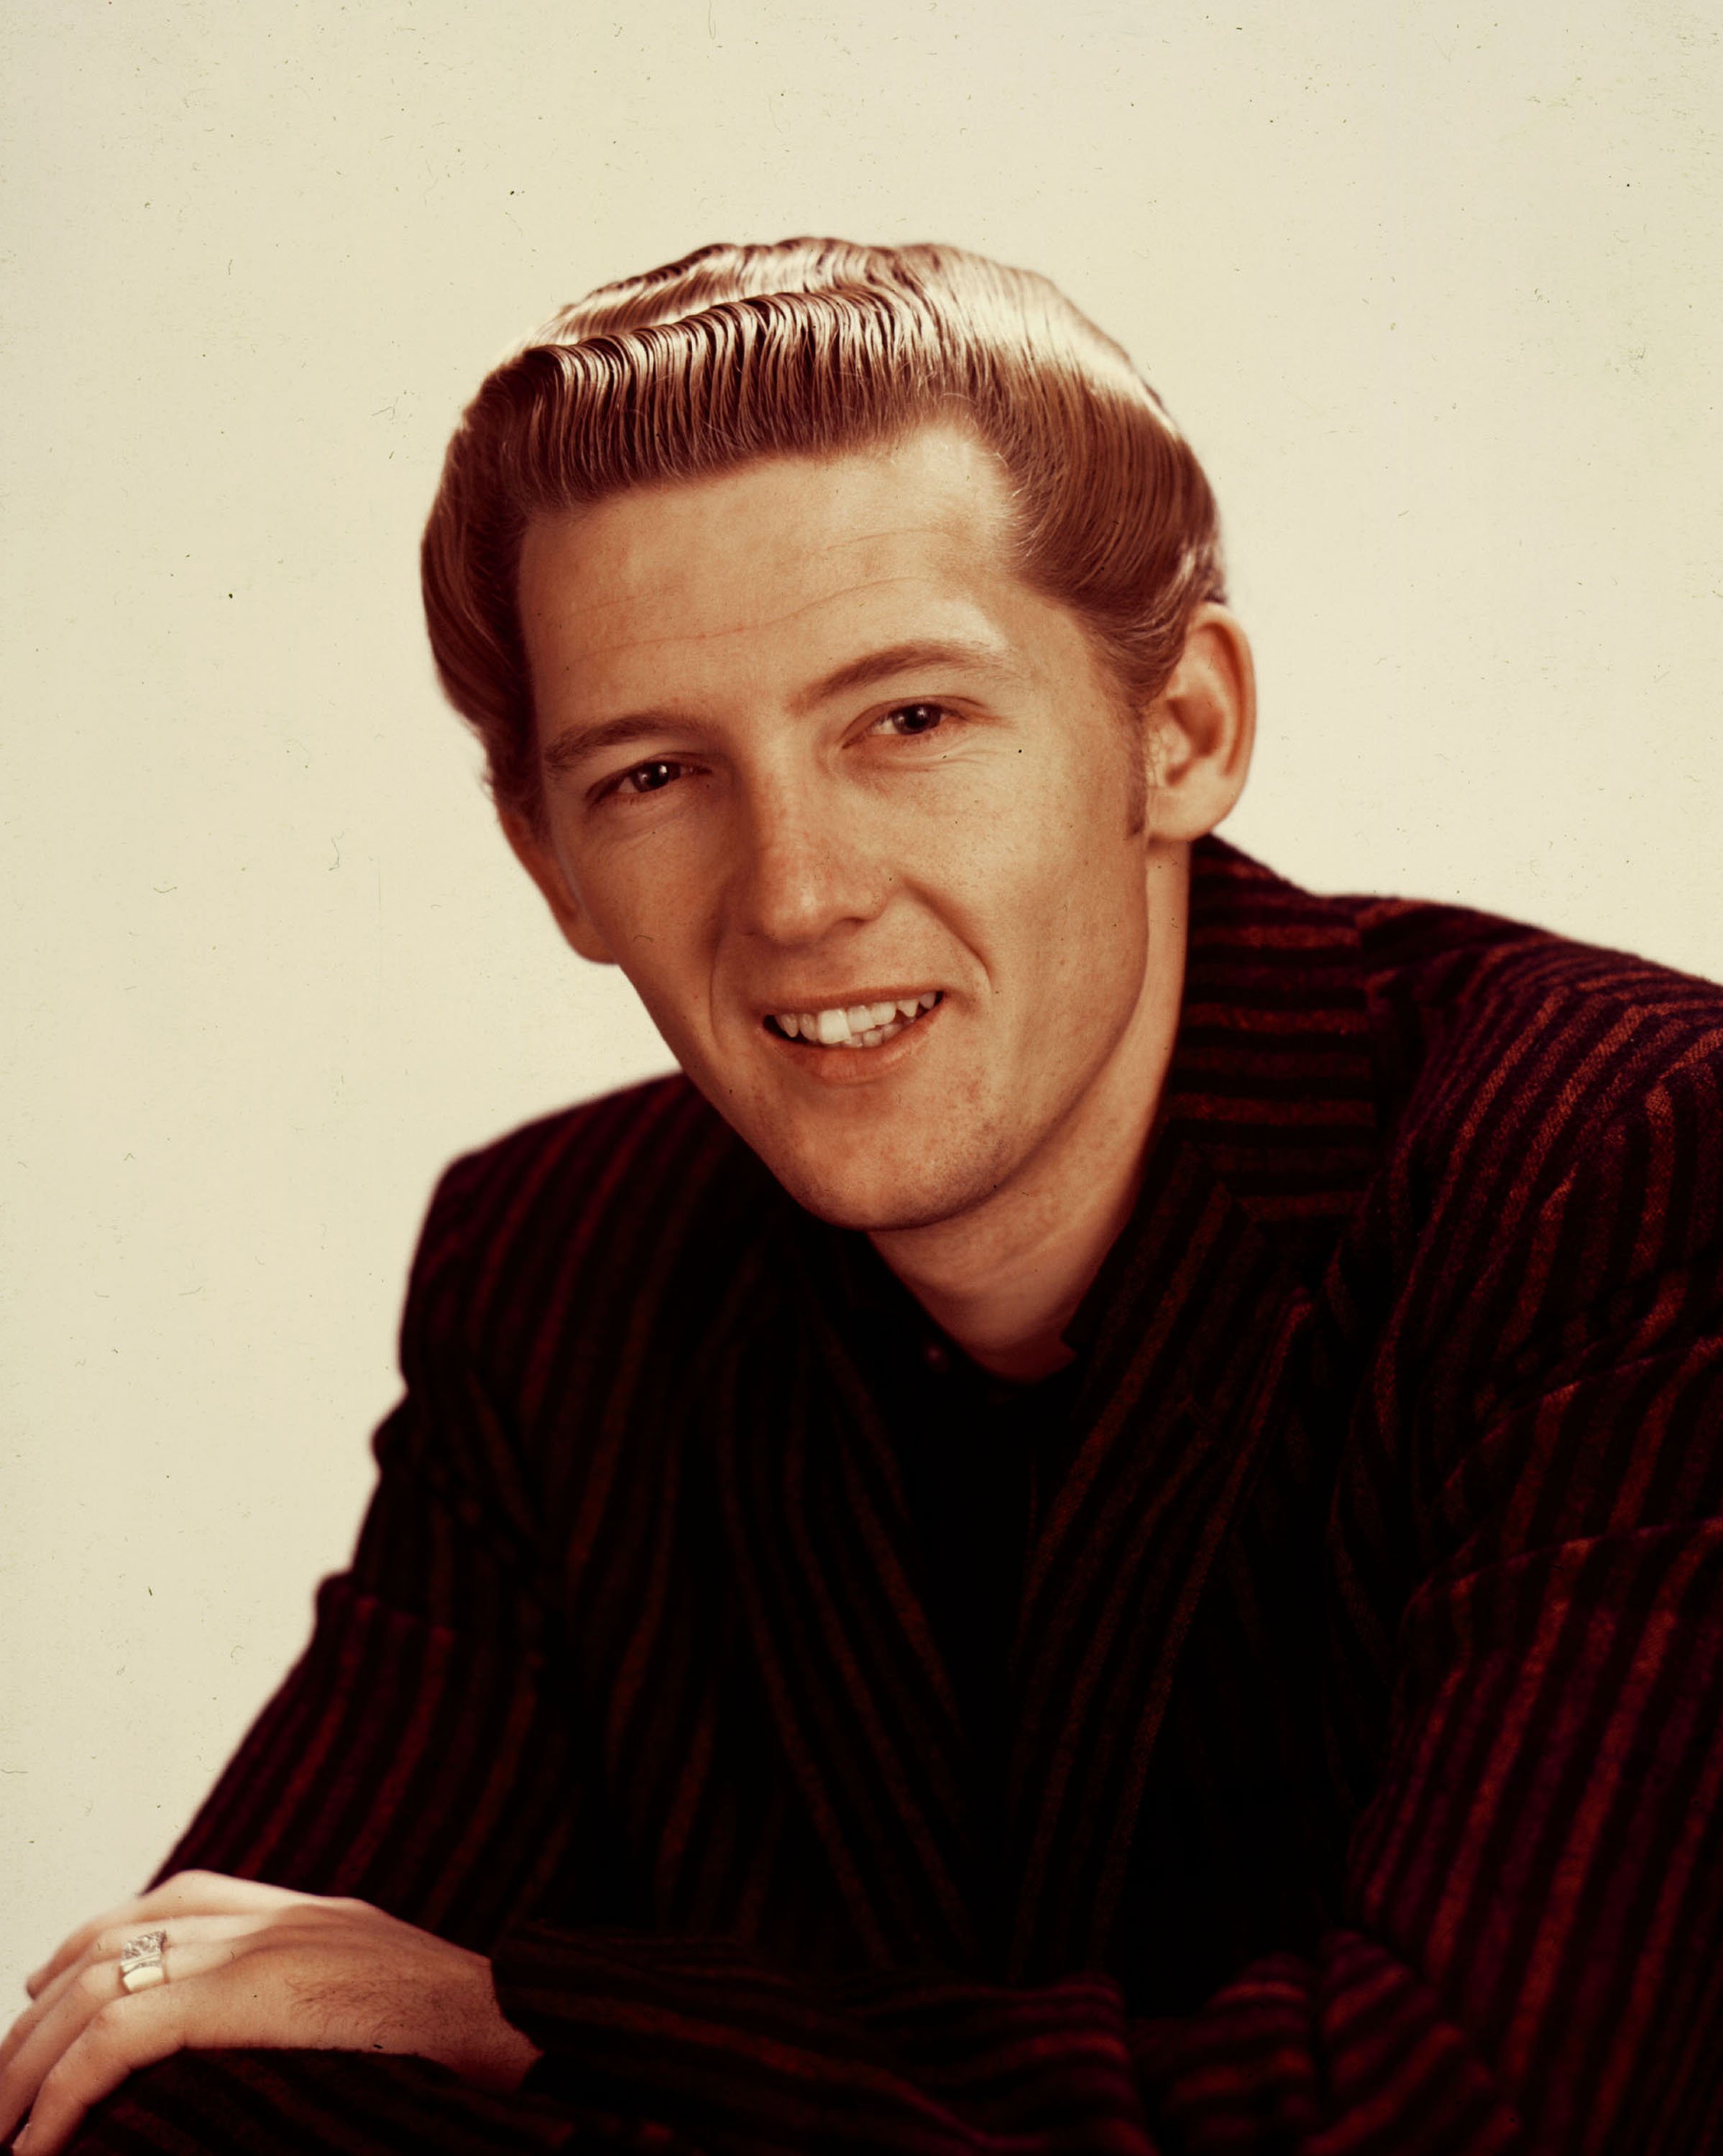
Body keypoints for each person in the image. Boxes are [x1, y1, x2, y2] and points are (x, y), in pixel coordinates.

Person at [4, 238, 1720, 2155]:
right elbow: (200, 2052)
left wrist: (519, 2014)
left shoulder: (1631, 1163)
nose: (799, 893)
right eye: (655, 773)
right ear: (551, 859)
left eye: (909, 721)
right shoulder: (558, 1278)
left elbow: (1456, 2119)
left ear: (1188, 731)